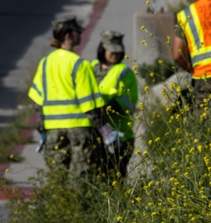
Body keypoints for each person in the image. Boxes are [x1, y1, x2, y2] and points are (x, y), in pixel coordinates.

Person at [28, 14, 105, 180]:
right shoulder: (80, 65)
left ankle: (59, 206)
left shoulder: (45, 63)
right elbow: (91, 106)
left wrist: (43, 128)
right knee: (81, 181)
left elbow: (37, 101)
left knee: (58, 181)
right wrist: (104, 132)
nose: (80, 34)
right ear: (69, 35)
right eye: (78, 31)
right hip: (79, 131)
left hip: (53, 132)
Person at [92, 30, 138, 178]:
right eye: (111, 50)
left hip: (120, 137)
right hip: (95, 134)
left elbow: (129, 103)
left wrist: (109, 105)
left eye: (118, 51)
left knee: (115, 178)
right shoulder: (90, 67)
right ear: (102, 49)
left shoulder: (123, 72)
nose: (114, 54)